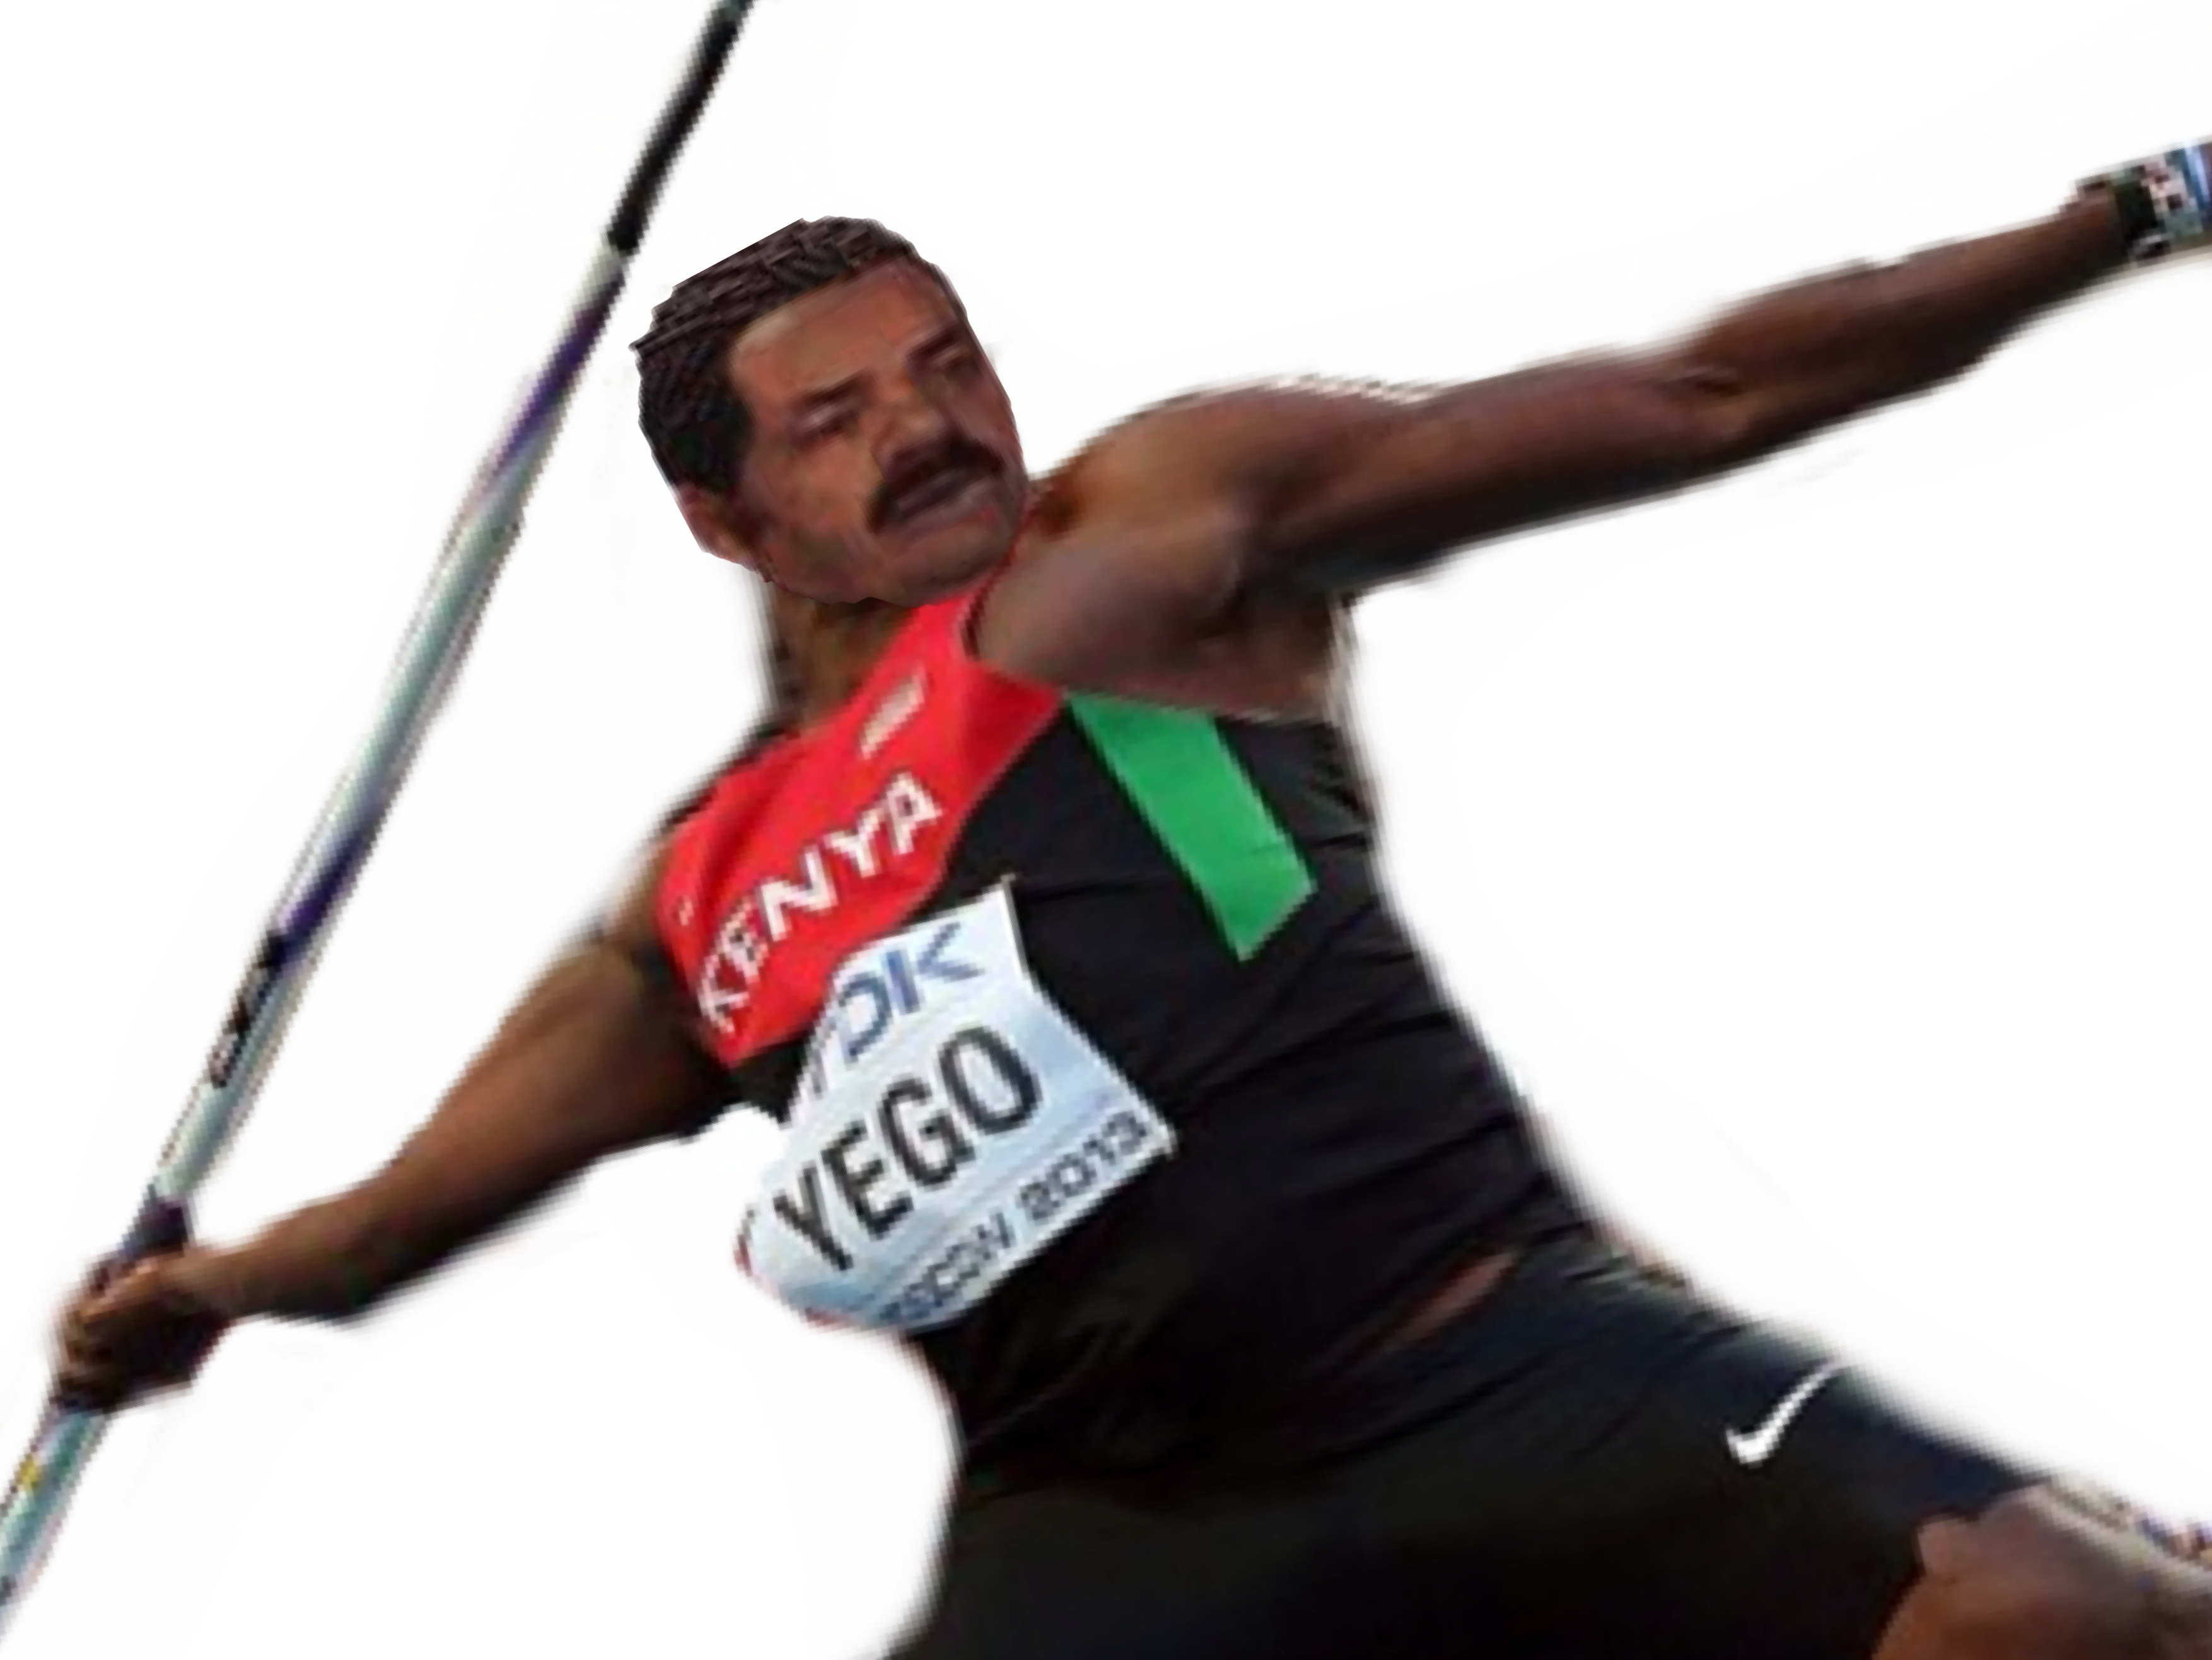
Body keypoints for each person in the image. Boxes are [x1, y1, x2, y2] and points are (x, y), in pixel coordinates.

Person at [38, 128, 2212, 1658]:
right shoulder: (693, 905)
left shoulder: (1134, 557)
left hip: (1488, 1354)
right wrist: (188, 1292)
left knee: (2067, 1604)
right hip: (1112, 1525)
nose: (925, 432)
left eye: (945, 369)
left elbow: (1692, 395)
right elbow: (400, 1225)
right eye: (832, 420)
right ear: (723, 518)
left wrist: (2142, 209)